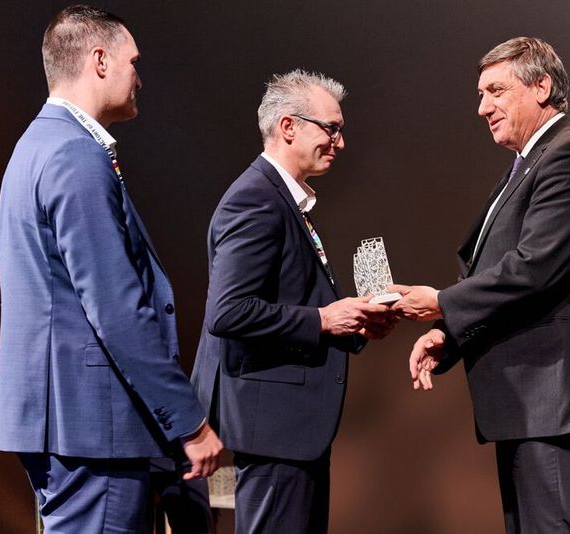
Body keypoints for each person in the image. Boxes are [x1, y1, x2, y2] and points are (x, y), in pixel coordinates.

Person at [0, 6, 222, 532]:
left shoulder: (34, 147)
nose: (139, 77)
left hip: (65, 426)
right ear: (99, 60)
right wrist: (188, 423)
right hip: (93, 433)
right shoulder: (75, 155)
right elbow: (116, 309)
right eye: (132, 62)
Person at [391, 37, 570, 533]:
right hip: (529, 402)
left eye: (496, 91)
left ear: (542, 87)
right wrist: (450, 336)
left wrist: (439, 303)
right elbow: (496, 270)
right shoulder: (527, 164)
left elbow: (534, 269)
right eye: (480, 95)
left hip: (555, 400)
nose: (483, 107)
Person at [191, 69, 396, 533]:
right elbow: (228, 311)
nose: (340, 143)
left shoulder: (281, 199)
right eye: (332, 128)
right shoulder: (256, 200)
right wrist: (324, 321)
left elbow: (291, 297)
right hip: (274, 432)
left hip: (291, 433)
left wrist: (356, 322)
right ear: (288, 126)